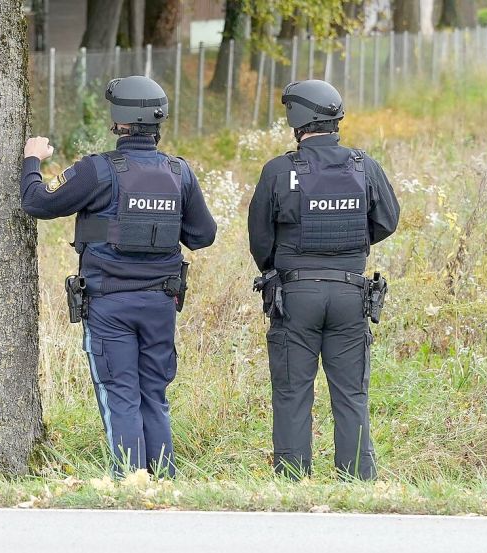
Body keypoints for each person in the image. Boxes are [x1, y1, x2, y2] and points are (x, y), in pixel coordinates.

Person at [20, 75, 217, 477]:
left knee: (120, 396)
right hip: (161, 304)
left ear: (119, 121)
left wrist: (32, 160)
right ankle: (162, 481)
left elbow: (37, 202)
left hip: (109, 306)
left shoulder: (98, 171)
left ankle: (129, 483)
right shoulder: (180, 172)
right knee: (154, 396)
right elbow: (203, 235)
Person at [247, 79, 400, 480]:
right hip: (351, 292)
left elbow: (259, 240)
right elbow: (387, 220)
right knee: (352, 394)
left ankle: (293, 479)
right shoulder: (364, 166)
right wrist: (350, 249)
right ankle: (356, 480)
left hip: (294, 295)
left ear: (297, 119)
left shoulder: (280, 171)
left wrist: (287, 264)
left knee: (292, 392)